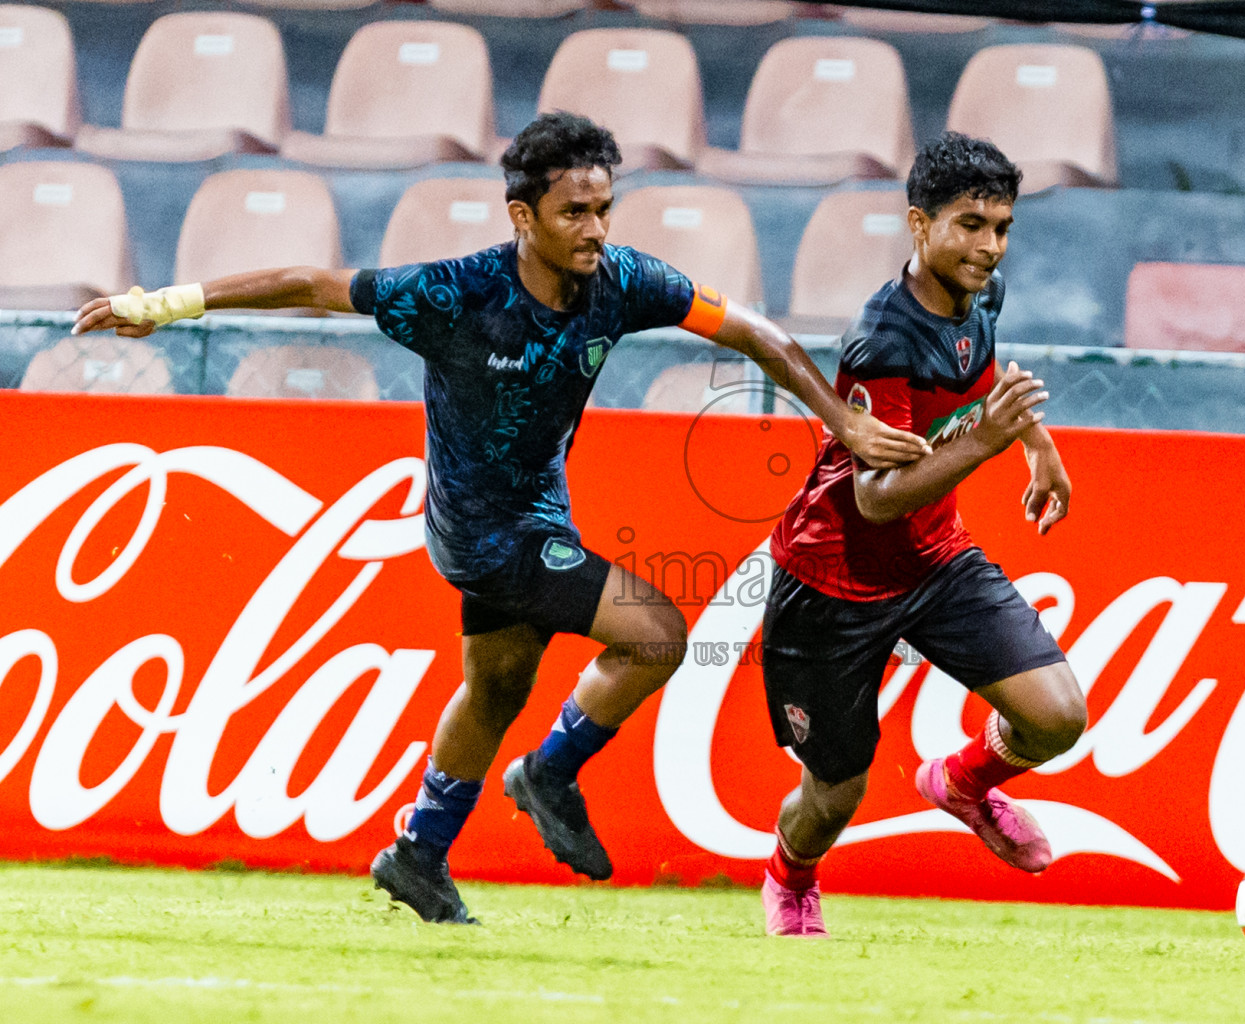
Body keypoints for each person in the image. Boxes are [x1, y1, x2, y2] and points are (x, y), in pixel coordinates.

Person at [73, 111, 929, 925]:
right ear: (523, 215)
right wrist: (165, 304)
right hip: (481, 532)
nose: (595, 229)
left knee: (497, 686)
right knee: (659, 631)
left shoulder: (624, 281)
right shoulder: (452, 295)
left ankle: (418, 851)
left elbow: (753, 333)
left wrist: (839, 417)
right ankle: (549, 774)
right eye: (574, 213)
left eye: (603, 209)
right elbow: (309, 282)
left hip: (538, 516)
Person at [758, 132, 1088, 937]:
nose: (989, 246)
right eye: (970, 225)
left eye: (1002, 227)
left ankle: (966, 782)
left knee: (1056, 716)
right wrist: (989, 442)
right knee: (836, 794)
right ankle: (790, 876)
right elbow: (875, 500)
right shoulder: (885, 340)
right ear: (919, 224)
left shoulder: (983, 293)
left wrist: (1036, 445)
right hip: (832, 583)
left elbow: (982, 381)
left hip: (936, 562)